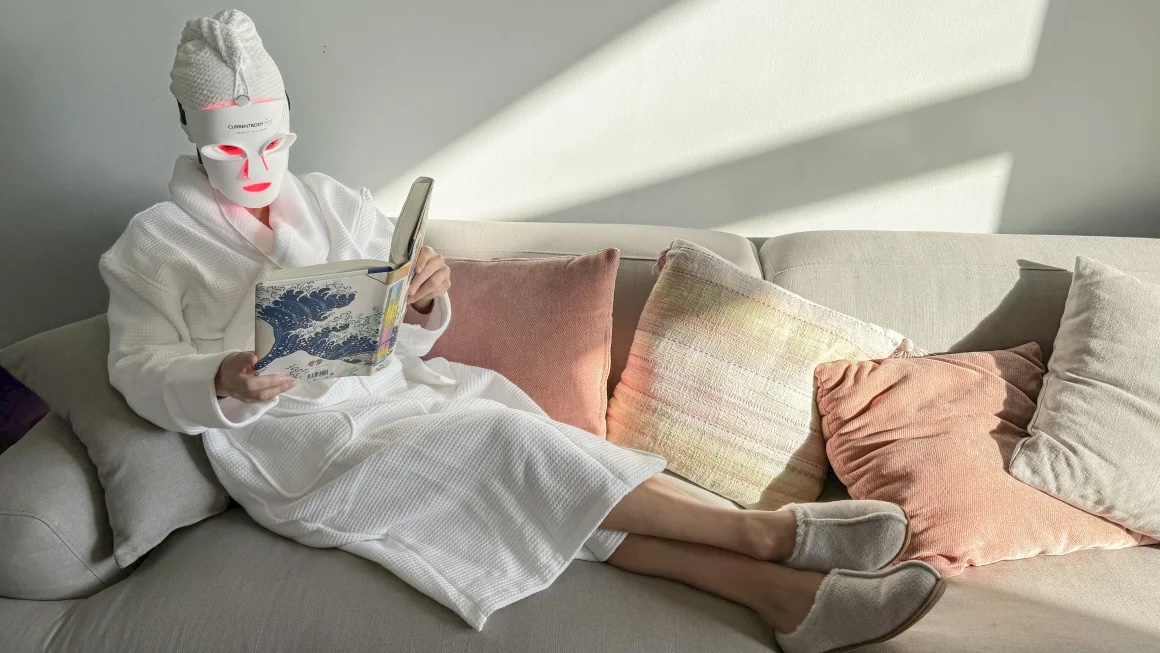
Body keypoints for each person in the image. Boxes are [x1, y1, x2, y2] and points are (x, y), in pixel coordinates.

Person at [100, 10, 943, 652]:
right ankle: (763, 534)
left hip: (398, 400)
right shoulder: (150, 247)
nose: (257, 170)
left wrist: (424, 299)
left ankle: (780, 599)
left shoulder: (333, 201)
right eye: (232, 155)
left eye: (273, 145)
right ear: (188, 132)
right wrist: (221, 382)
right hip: (297, 453)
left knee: (527, 479)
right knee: (504, 439)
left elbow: (394, 328)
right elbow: (137, 368)